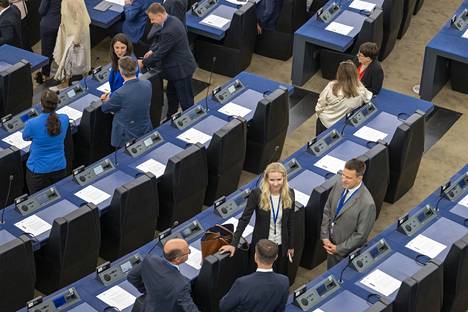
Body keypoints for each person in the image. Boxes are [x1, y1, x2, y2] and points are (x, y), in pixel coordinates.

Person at [220, 162, 295, 276]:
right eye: (272, 180)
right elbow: (244, 219)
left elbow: (291, 222)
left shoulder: (290, 193)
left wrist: (290, 245)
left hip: (281, 245)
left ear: (284, 178)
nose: (275, 184)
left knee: (277, 276)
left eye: (279, 179)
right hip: (261, 246)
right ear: (266, 179)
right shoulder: (257, 194)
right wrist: (233, 244)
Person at [138, 3, 197, 120]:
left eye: (152, 19)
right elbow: (162, 42)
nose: (151, 22)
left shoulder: (169, 30)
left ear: (159, 16)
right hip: (174, 71)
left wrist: (143, 62)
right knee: (171, 95)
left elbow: (161, 53)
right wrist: (152, 50)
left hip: (181, 70)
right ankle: (170, 118)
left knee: (186, 102)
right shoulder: (172, 20)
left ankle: (191, 122)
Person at [320, 159, 376, 269]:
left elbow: (360, 235)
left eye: (348, 178)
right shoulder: (338, 185)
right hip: (330, 244)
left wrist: (338, 248)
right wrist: (325, 236)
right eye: (343, 175)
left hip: (346, 255)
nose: (344, 180)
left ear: (359, 178)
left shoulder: (367, 204)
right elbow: (327, 210)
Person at [127, 238, 200, 312]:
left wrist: (148, 290)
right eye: (188, 252)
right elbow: (190, 309)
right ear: (178, 259)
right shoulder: (182, 284)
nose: (189, 252)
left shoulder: (150, 260)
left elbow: (131, 277)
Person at [219, 239, 289, 312]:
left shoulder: (242, 283)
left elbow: (224, 306)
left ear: (255, 257)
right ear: (276, 257)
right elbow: (280, 308)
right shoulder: (284, 281)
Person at [22, 90, 69, 194]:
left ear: (41, 104)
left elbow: (25, 137)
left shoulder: (32, 123)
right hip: (59, 168)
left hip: (38, 173)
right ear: (57, 104)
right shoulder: (65, 119)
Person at [101, 56, 152, 148]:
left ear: (121, 72)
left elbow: (105, 108)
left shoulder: (119, 94)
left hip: (126, 136)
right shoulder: (147, 84)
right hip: (144, 129)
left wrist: (104, 100)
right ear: (136, 68)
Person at [315, 60, 372, 135]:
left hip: (325, 123)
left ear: (339, 74)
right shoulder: (360, 92)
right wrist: (357, 82)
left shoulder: (331, 87)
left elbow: (320, 104)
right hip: (341, 127)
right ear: (355, 74)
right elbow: (368, 97)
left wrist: (318, 115)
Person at [53, 0, 91, 82]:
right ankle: (68, 80)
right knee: (68, 58)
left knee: (72, 60)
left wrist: (76, 40)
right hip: (69, 32)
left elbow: (81, 21)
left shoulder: (75, 1)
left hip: (76, 34)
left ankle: (70, 81)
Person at [102, 33, 140, 97]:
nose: (119, 52)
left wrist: (110, 97)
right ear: (113, 48)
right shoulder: (117, 59)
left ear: (127, 48)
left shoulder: (131, 64)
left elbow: (124, 90)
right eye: (117, 47)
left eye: (122, 48)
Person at [36, 0, 62, 83]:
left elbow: (41, 10)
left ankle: (45, 75)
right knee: (59, 49)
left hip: (48, 25)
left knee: (46, 51)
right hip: (61, 25)